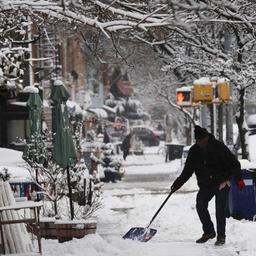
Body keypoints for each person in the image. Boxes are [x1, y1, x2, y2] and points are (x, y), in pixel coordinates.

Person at [170, 125, 245, 246]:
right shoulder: (194, 151)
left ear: (206, 138)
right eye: (198, 141)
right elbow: (187, 171)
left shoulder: (218, 147)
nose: (200, 143)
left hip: (222, 182)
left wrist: (239, 179)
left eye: (202, 140)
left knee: (220, 208)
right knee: (200, 204)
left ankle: (221, 236)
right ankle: (209, 231)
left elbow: (234, 163)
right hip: (206, 185)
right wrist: (177, 184)